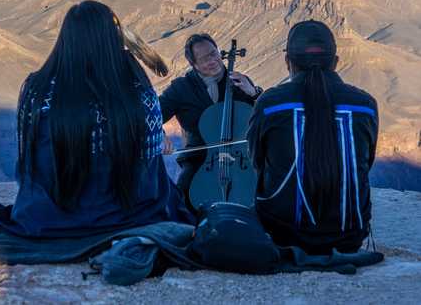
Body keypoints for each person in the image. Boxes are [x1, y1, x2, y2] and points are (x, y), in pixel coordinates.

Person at [0, 0, 191, 237]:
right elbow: (151, 159)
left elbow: (30, 158)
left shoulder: (37, 87)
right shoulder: (137, 89)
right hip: (129, 213)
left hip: (48, 214)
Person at [247, 20, 378, 254]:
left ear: (288, 62)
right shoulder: (365, 105)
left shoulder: (270, 104)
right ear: (336, 62)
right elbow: (366, 165)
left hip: (283, 234)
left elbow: (258, 162)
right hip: (349, 236)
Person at [159, 33, 263, 209]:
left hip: (239, 159)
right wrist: (160, 135)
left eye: (213, 54)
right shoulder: (181, 88)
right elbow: (152, 115)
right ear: (194, 64)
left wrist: (253, 92)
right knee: (179, 201)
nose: (213, 61)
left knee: (264, 193)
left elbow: (263, 116)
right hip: (199, 160)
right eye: (204, 59)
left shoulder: (239, 82)